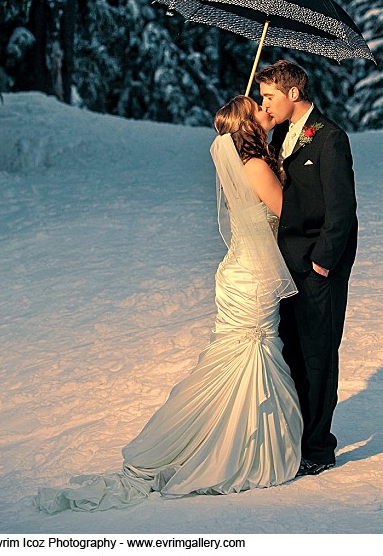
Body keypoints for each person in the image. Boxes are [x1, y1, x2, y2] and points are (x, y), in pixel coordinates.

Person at [34, 96, 302, 513]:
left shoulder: (240, 162)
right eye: (258, 109)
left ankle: (225, 435)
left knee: (237, 356)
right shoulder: (254, 167)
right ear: (248, 125)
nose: (266, 112)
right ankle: (232, 447)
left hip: (243, 271)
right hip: (251, 276)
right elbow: (291, 214)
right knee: (246, 353)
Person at [256, 60, 357, 476]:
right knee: (292, 354)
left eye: (269, 97)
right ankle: (293, 440)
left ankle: (317, 448)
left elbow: (342, 211)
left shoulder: (330, 138)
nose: (264, 104)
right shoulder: (279, 133)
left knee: (318, 357)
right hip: (283, 265)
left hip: (317, 269)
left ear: (292, 94)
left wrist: (322, 264)